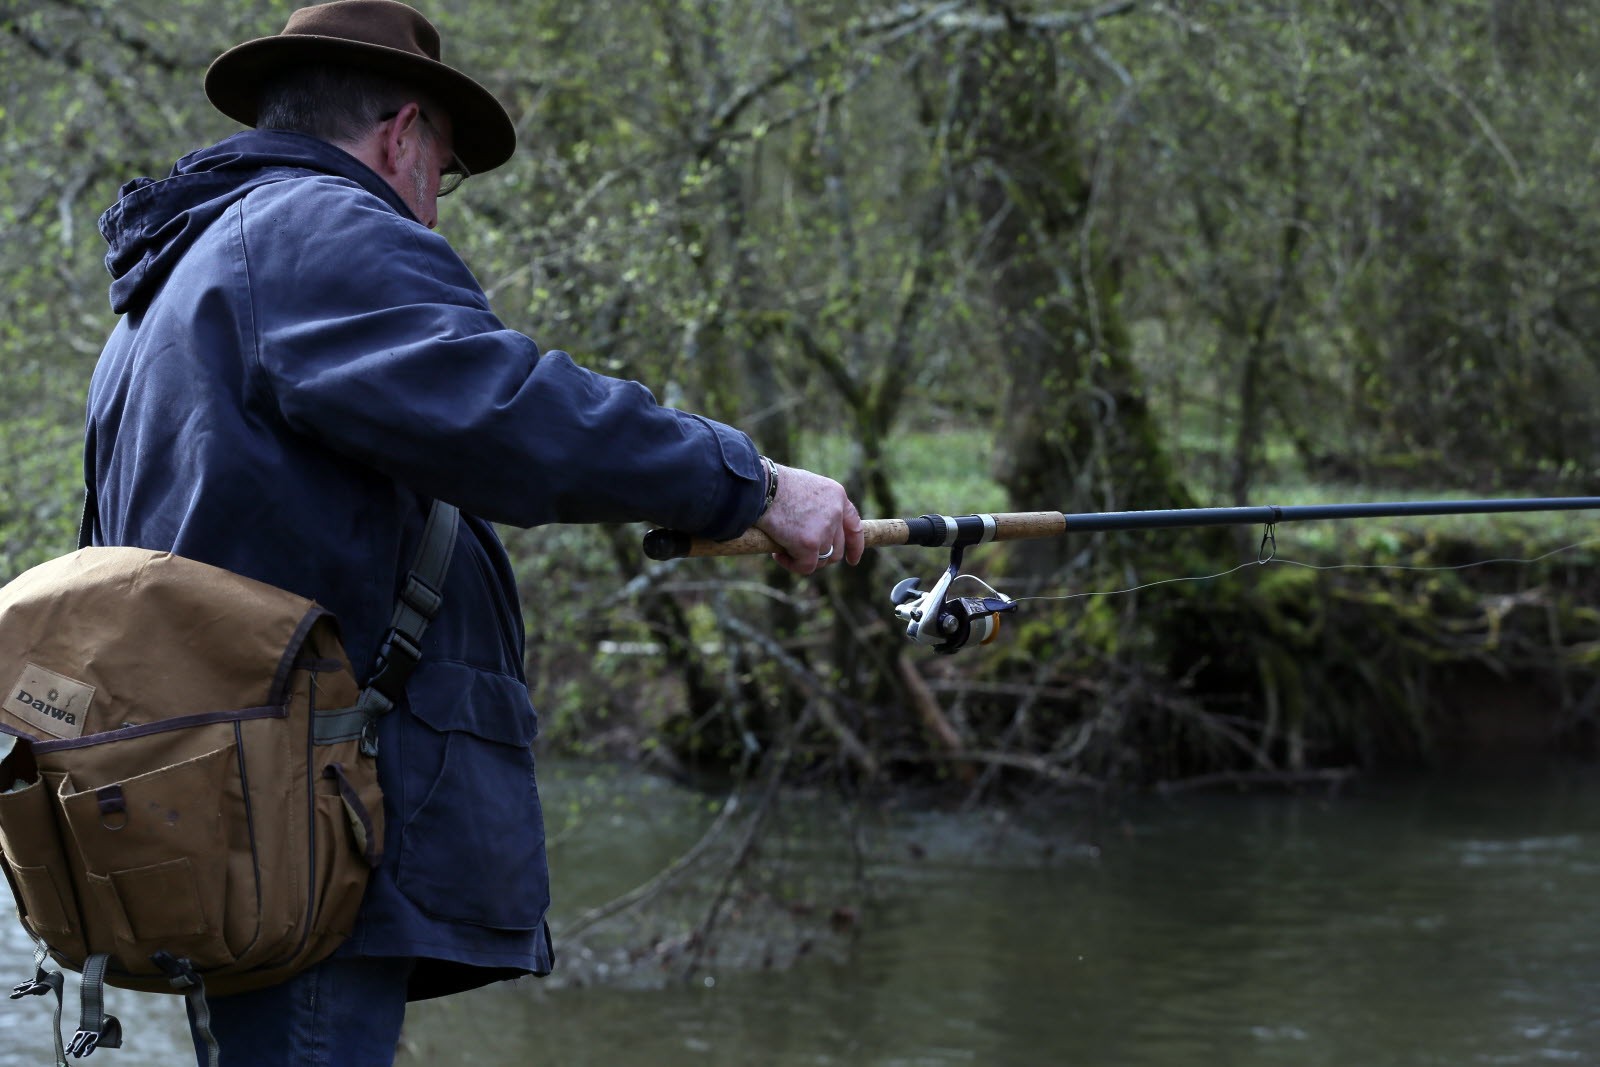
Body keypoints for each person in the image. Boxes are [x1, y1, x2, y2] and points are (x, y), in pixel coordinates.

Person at [85, 1, 865, 1063]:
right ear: (403, 134)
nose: (435, 210)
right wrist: (751, 481)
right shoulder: (317, 231)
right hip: (302, 815)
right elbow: (508, 412)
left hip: (228, 821)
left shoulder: (171, 285)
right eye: (444, 172)